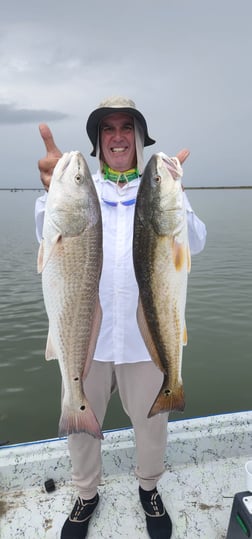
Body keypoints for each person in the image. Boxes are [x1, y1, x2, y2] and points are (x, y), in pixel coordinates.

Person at [35, 96, 207, 539]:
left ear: (139, 140)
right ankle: (86, 494)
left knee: (152, 423)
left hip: (145, 336)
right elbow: (48, 236)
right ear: (97, 142)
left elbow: (197, 243)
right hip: (84, 333)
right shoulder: (79, 187)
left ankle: (148, 488)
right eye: (107, 129)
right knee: (78, 417)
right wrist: (49, 188)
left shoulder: (158, 187)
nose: (117, 136)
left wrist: (177, 195)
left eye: (125, 128)